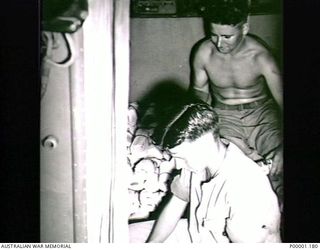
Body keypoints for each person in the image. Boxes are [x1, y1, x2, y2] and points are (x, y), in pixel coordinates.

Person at [127, 103, 281, 243]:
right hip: (196, 234)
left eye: (180, 157)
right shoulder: (197, 160)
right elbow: (176, 205)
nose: (178, 164)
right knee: (126, 236)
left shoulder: (246, 190)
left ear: (205, 142)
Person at [189, 0, 283, 203]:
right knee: (235, 169)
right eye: (213, 34)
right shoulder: (203, 53)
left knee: (279, 168)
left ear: (245, 28)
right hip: (224, 115)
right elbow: (199, 92)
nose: (219, 43)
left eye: (227, 37)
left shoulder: (261, 56)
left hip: (262, 115)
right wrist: (203, 127)